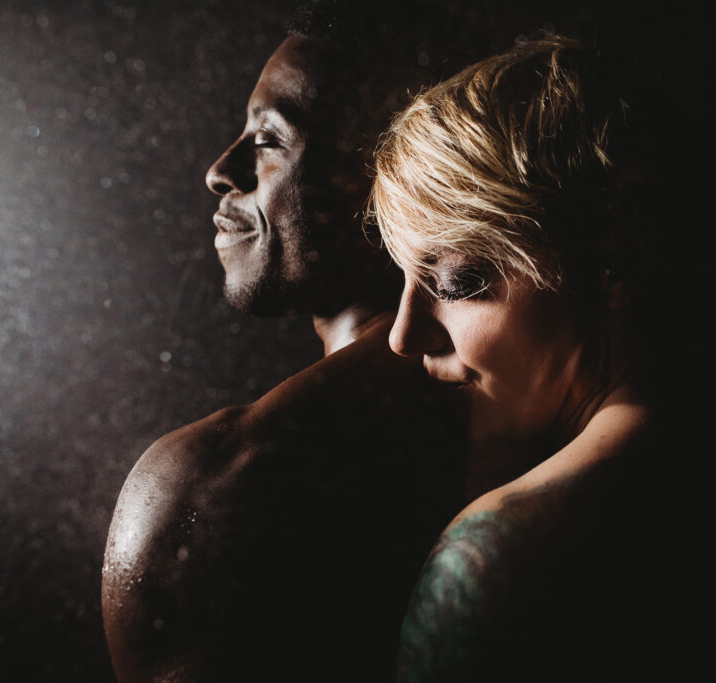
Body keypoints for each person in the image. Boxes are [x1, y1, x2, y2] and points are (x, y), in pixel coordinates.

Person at [100, 4, 471, 681]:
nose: (221, 169)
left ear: (385, 177)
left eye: (270, 139)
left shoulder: (219, 484)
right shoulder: (525, 409)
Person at [368, 33, 679, 682]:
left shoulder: (492, 559)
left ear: (615, 259)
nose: (402, 335)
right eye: (399, 278)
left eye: (455, 280)